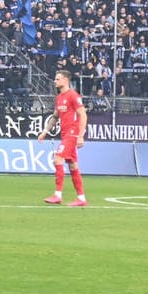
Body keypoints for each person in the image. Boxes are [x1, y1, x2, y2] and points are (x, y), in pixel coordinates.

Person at [39, 68, 88, 205]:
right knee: (72, 165)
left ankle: (58, 194)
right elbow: (55, 117)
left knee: (58, 157)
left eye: (58, 78)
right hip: (65, 133)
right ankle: (81, 198)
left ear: (66, 80)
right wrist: (45, 132)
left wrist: (80, 135)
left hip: (72, 133)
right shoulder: (59, 98)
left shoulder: (73, 95)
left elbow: (83, 115)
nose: (55, 81)